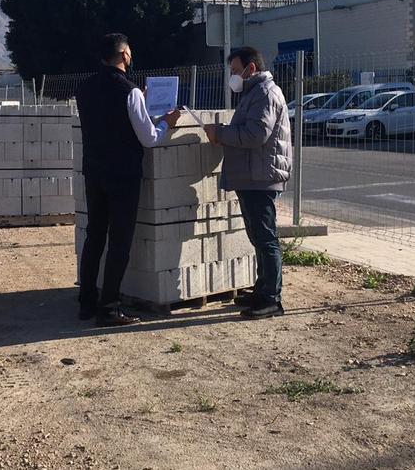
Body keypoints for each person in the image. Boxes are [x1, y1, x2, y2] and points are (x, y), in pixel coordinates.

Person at [76, 33, 181, 326]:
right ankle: (108, 308)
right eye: (130, 53)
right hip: (123, 175)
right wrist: (164, 123)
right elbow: (147, 138)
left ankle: (86, 302)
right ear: (123, 55)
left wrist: (139, 104)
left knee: (94, 237)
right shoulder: (129, 91)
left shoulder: (84, 88)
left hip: (94, 172)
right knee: (119, 241)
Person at [206, 46, 292, 320]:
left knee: (266, 238)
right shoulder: (253, 92)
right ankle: (262, 288)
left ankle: (271, 299)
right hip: (252, 175)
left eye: (235, 70)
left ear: (250, 68)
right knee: (258, 237)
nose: (233, 76)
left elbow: (256, 135)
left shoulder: (265, 93)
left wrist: (220, 133)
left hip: (261, 177)